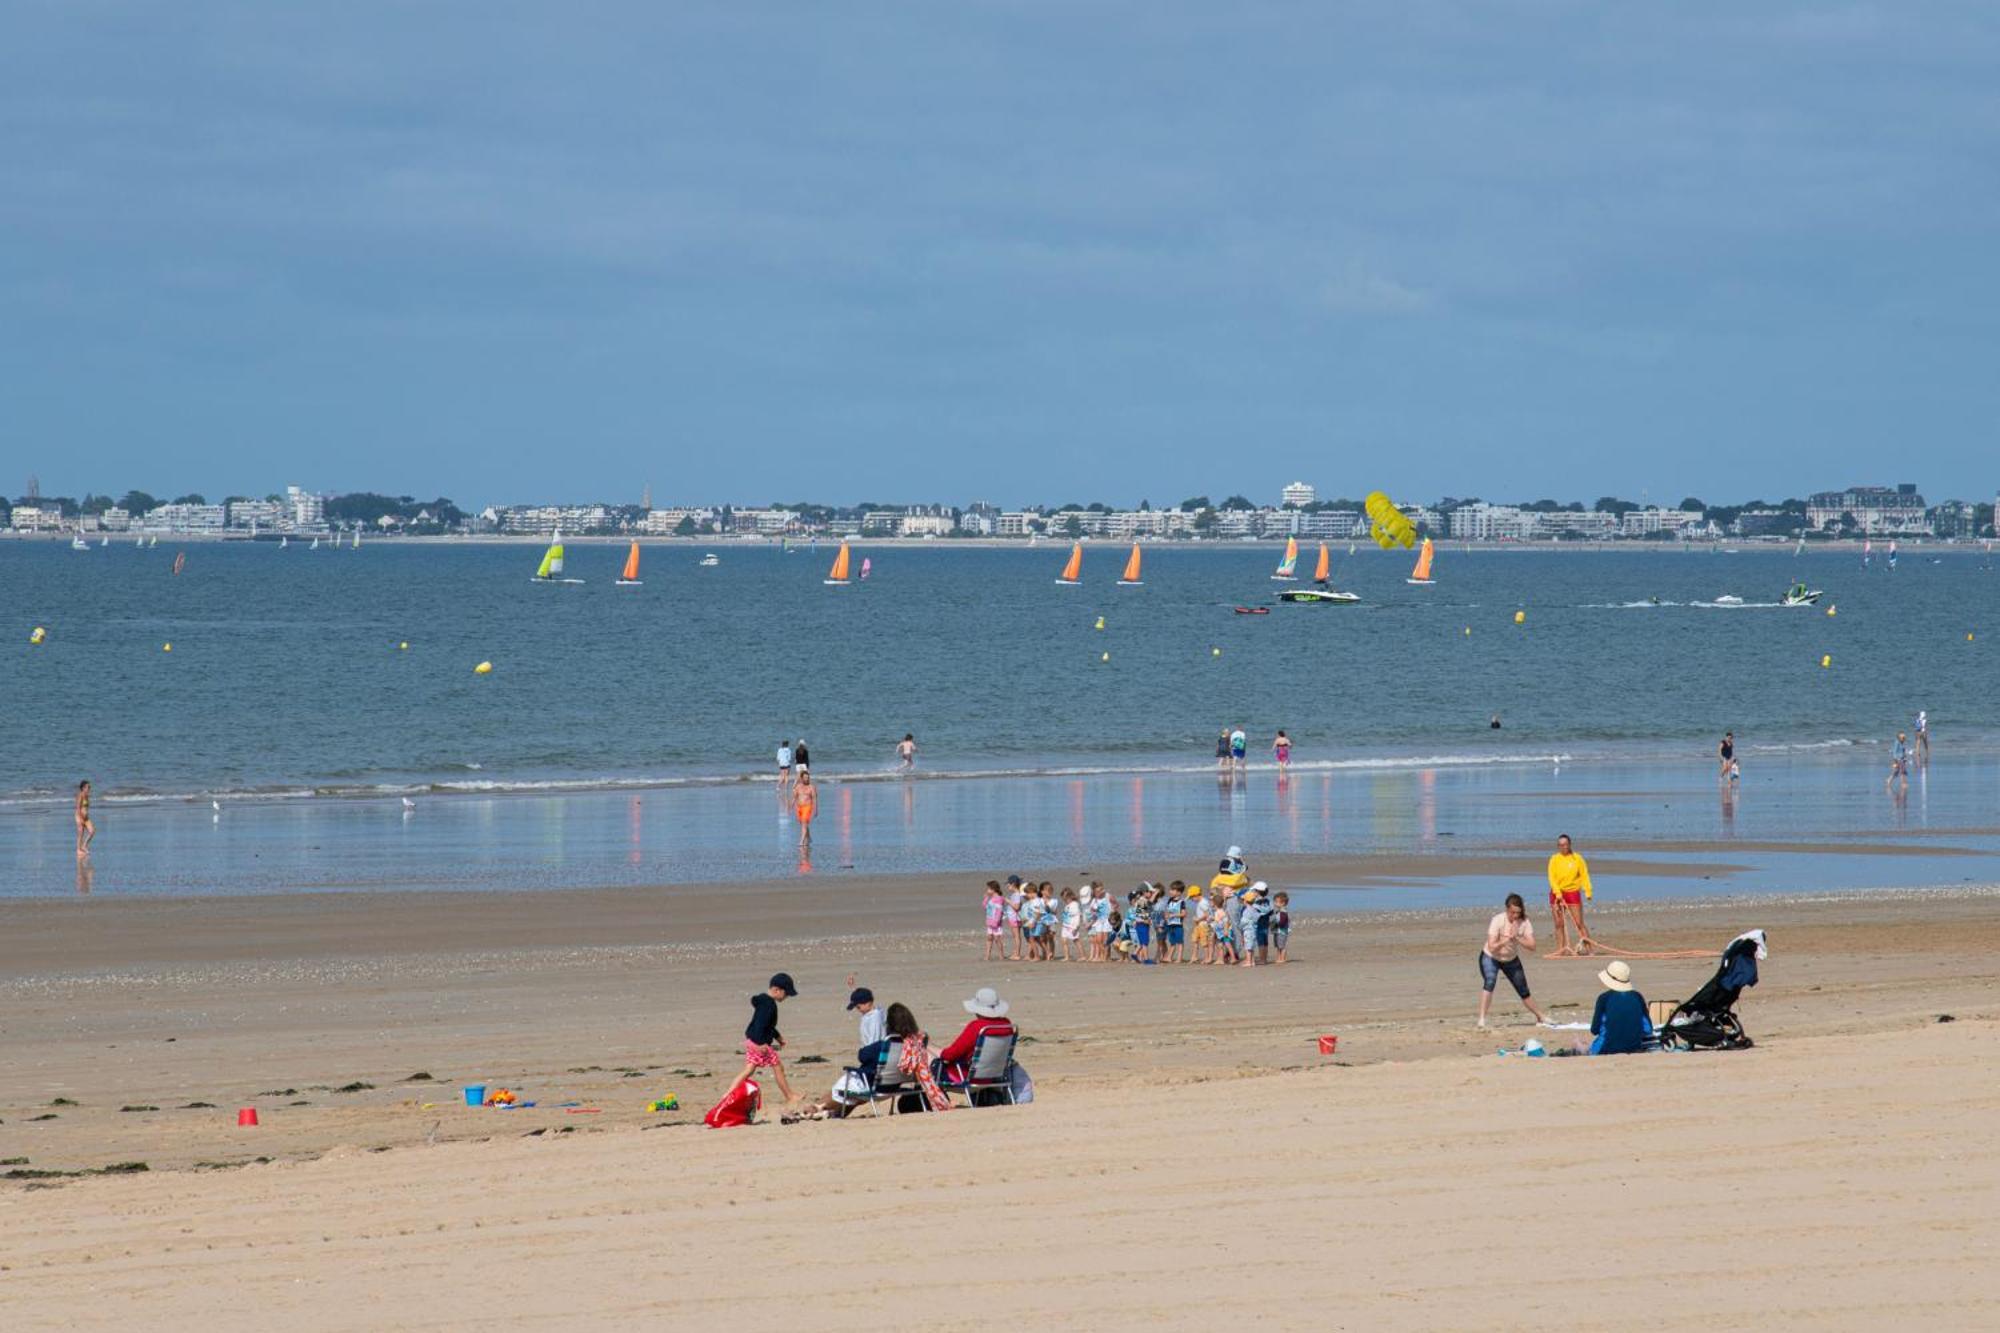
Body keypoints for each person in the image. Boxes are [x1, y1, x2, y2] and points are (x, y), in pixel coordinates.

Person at [1478, 893, 1550, 1029]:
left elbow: (1532, 946)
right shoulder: (1497, 920)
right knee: (1490, 981)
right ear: (1507, 909)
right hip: (1490, 957)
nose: (1515, 916)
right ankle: (1481, 1019)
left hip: (1510, 959)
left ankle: (1541, 1016)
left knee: (1523, 989)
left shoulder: (1524, 922)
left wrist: (1516, 937)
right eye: (1512, 912)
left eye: (1518, 912)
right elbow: (1492, 947)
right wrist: (1506, 939)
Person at [727, 973, 799, 1106]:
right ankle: (790, 1096)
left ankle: (728, 1094)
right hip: (759, 1043)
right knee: (777, 1067)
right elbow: (760, 1026)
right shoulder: (768, 1005)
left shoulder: (764, 1002)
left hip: (753, 1041)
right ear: (776, 990)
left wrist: (779, 1038)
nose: (787, 997)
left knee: (750, 1070)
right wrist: (759, 1045)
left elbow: (769, 1026)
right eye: (786, 993)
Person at [935, 987, 1015, 1089]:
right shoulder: (1006, 1025)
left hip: (969, 1076)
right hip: (995, 1074)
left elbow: (950, 1055)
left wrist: (936, 1051)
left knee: (929, 1054)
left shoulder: (977, 1027)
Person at [1589, 960, 1652, 1055]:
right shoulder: (1637, 996)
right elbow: (1648, 1028)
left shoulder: (1604, 998)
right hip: (1634, 1047)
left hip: (1606, 1048)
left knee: (1579, 1045)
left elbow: (1594, 1030)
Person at [1546, 833, 1594, 956]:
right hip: (1557, 893)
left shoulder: (1577, 858)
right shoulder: (1554, 859)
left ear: (1570, 844)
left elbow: (1584, 875)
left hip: (1572, 892)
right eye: (1561, 845)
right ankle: (1561, 949)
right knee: (1559, 924)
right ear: (1558, 846)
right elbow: (1552, 877)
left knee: (1579, 923)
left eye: (1566, 844)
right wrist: (1557, 893)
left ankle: (1590, 950)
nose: (1564, 847)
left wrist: (1588, 891)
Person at [793, 769, 818, 846]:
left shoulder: (811, 787)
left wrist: (816, 809)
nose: (807, 779)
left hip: (808, 807)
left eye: (808, 778)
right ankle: (809, 837)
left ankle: (801, 841)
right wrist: (790, 805)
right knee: (803, 824)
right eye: (805, 778)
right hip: (799, 807)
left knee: (804, 823)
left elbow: (814, 799)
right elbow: (794, 797)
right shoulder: (798, 787)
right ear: (801, 778)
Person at [982, 882, 1006, 961]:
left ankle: (1001, 955)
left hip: (996, 923)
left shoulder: (999, 899)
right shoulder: (990, 898)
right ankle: (987, 955)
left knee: (997, 939)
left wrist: (996, 921)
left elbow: (999, 911)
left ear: (994, 890)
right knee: (989, 938)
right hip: (989, 921)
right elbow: (985, 907)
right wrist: (986, 898)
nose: (987, 890)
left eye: (988, 889)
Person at [74, 779, 95, 856]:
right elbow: (78, 808)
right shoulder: (80, 795)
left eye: (90, 787)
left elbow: (86, 807)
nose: (89, 788)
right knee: (81, 832)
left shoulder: (87, 795)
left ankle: (84, 845)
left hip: (86, 817)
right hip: (79, 816)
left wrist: (85, 816)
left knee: (92, 831)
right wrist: (81, 818)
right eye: (88, 787)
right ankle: (78, 850)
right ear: (83, 788)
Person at [1271, 892, 1291, 963]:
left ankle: (1282, 958)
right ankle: (1278, 957)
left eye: (1277, 902)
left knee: (1282, 946)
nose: (1275, 903)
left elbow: (1282, 922)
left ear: (1283, 903)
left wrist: (1275, 924)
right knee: (1278, 946)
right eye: (1275, 902)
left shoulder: (1283, 912)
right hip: (1277, 931)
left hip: (1282, 932)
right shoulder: (1278, 911)